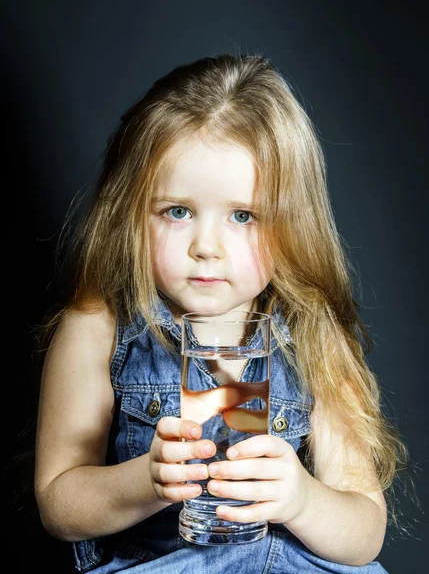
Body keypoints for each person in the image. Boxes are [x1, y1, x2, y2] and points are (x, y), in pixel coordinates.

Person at [34, 52, 408, 573]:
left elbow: (364, 532)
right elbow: (59, 502)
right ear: (132, 213)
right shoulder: (99, 327)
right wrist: (145, 481)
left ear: (292, 223)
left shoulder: (313, 333)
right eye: (178, 211)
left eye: (243, 216)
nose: (206, 246)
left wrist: (302, 499)